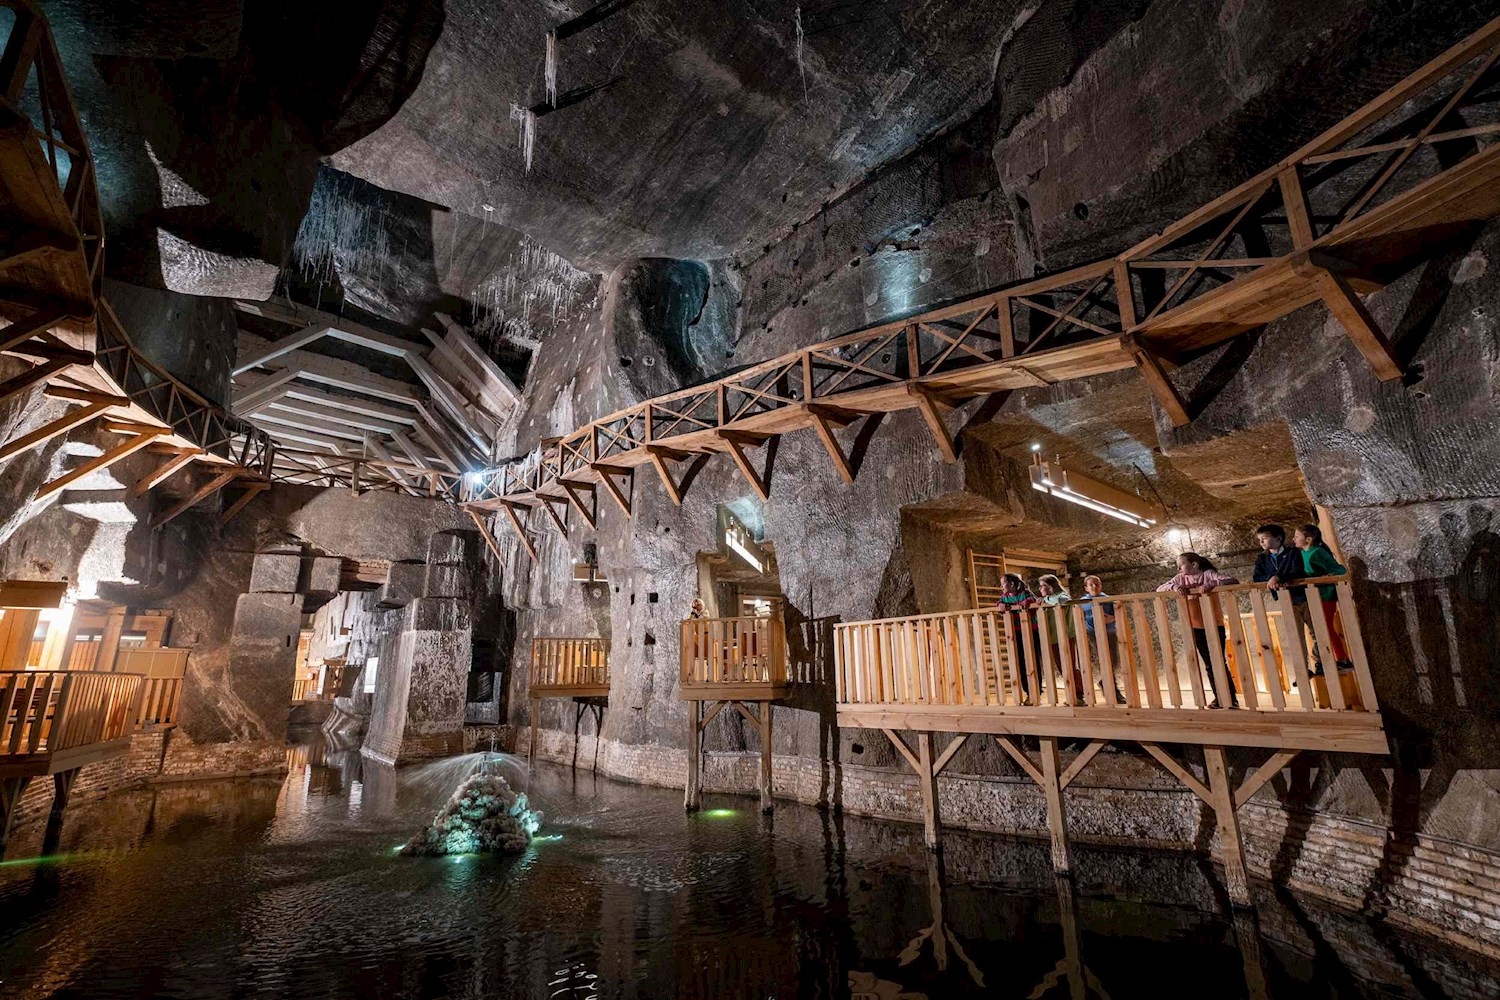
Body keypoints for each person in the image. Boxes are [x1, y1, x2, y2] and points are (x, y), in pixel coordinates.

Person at [1157, 552, 1240, 708]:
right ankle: (1219, 698)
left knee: (1219, 661)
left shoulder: (1208, 574)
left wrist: (1212, 584)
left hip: (1214, 624)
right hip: (1196, 626)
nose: (1178, 568)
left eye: (1181, 564)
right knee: (1209, 663)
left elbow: (1232, 580)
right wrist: (1174, 586)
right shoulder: (1180, 579)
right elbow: (1160, 588)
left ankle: (1231, 698)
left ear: (1194, 564)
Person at [1252, 523, 1324, 675]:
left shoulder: (1294, 552)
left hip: (1303, 597)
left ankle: (1321, 663)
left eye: (1264, 539)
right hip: (1287, 600)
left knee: (1317, 632)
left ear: (1278, 539)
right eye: (1260, 540)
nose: (1262, 543)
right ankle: (1303, 670)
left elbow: (1297, 571)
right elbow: (1257, 577)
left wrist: (1280, 577)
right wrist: (1271, 578)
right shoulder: (1262, 559)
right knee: (1295, 637)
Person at [1293, 524, 1353, 670]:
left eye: (1296, 536)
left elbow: (1339, 569)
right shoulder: (1302, 554)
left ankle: (1342, 659)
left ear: (1308, 539)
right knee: (1320, 628)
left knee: (1325, 627)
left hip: (1325, 595)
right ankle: (1331, 660)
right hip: (1313, 596)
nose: (1293, 539)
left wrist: (1327, 577)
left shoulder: (1317, 552)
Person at [1036, 575, 1086, 705]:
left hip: (1065, 635)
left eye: (1042, 586)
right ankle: (1073, 694)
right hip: (1053, 637)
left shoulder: (1061, 595)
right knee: (1062, 667)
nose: (1040, 589)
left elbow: (1062, 601)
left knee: (1070, 665)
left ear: (1050, 587)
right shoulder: (1048, 600)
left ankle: (1079, 695)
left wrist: (1046, 599)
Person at [1080, 575, 1127, 704]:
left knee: (1114, 661)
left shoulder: (1108, 599)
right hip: (1094, 634)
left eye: (1096, 584)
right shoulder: (1083, 602)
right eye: (1091, 585)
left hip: (1110, 632)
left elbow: (1117, 613)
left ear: (1101, 586)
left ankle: (1104, 682)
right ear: (1086, 588)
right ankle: (1114, 691)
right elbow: (1083, 616)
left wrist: (1110, 619)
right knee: (1105, 660)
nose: (1094, 587)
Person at [994, 573, 1039, 703]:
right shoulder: (1005, 597)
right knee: (1020, 662)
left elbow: (1034, 600)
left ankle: (1036, 692)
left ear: (1011, 584)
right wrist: (999, 605)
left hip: (1031, 630)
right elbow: (999, 603)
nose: (1002, 586)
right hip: (1015, 632)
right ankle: (1028, 692)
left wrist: (1029, 602)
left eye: (1003, 583)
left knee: (1033, 660)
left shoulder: (1025, 593)